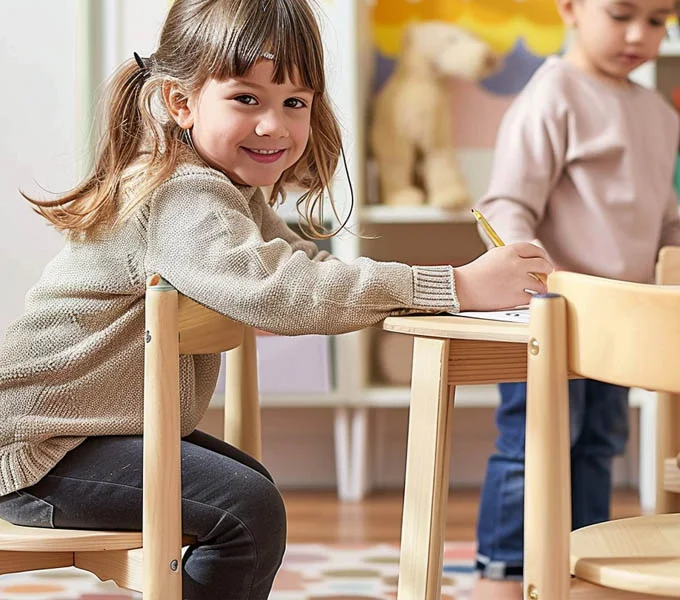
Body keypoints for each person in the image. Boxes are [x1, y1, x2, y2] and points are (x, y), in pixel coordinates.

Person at [0, 1, 552, 598]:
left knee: (249, 491)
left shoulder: (226, 192)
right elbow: (282, 292)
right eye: (247, 99)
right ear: (180, 103)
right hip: (39, 451)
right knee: (246, 511)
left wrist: (446, 290)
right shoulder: (182, 194)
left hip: (87, 433)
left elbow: (302, 269)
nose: (275, 125)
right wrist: (456, 285)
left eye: (295, 103)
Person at [471, 0, 680, 596]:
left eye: (657, 20)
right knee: (532, 445)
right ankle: (502, 571)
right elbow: (508, 204)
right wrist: (527, 272)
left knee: (600, 443)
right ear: (569, 8)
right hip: (551, 313)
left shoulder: (658, 113)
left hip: (620, 318)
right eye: (621, 14)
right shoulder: (554, 94)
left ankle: (583, 559)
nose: (638, 34)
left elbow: (666, 221)